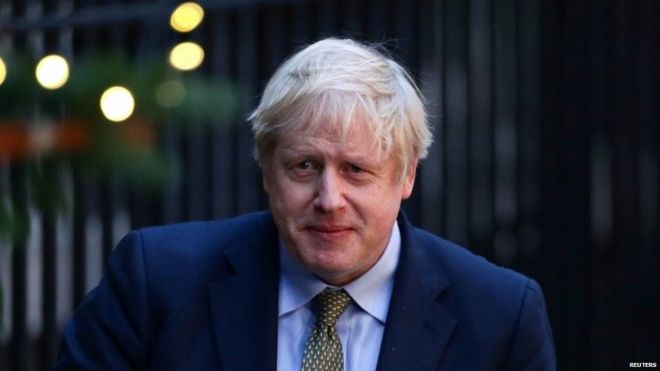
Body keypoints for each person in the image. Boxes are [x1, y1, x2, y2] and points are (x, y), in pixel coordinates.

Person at [53, 38, 556, 370]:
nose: (329, 200)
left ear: (406, 177)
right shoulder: (156, 283)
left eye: (356, 170)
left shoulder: (499, 319)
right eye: (304, 167)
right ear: (266, 172)